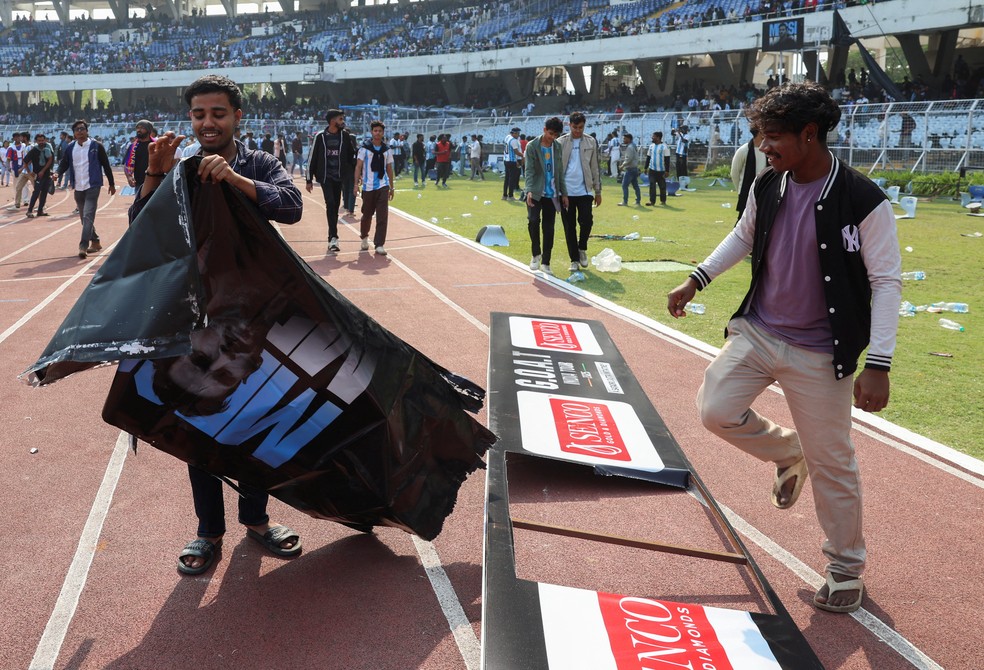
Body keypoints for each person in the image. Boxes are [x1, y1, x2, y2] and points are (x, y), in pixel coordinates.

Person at [666, 82, 902, 614]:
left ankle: (845, 569)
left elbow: (886, 282)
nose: (764, 148)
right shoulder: (768, 184)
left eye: (772, 138)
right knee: (715, 409)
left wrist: (879, 363)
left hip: (822, 351)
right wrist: (697, 279)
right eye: (760, 138)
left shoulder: (864, 200)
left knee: (835, 461)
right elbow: (743, 236)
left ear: (809, 134)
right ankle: (788, 450)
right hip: (760, 331)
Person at [130, 73, 304, 576]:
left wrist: (233, 178)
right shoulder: (179, 167)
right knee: (199, 424)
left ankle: (257, 520)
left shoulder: (259, 163)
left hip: (253, 319)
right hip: (196, 318)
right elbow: (143, 235)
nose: (208, 123)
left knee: (253, 420)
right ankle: (209, 531)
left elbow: (290, 207)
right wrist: (154, 176)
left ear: (237, 117)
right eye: (199, 114)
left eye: (218, 113)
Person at [56, 120, 116, 259]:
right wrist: (57, 173)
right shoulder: (70, 148)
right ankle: (95, 241)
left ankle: (83, 245)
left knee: (88, 215)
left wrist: (111, 184)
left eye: (82, 129)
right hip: (78, 186)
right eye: (77, 129)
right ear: (74, 134)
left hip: (93, 185)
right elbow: (64, 163)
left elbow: (106, 165)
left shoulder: (96, 146)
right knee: (85, 218)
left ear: (87, 131)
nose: (80, 131)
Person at [556, 111, 602, 272]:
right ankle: (574, 260)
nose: (578, 130)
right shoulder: (560, 142)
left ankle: (582, 248)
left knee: (587, 221)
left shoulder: (590, 142)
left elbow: (595, 167)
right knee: (569, 227)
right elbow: (556, 168)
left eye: (581, 127)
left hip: (585, 190)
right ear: (569, 125)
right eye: (575, 127)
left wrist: (598, 191)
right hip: (566, 191)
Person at [307, 109, 357, 254]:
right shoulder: (320, 137)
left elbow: (350, 156)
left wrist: (357, 171)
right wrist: (309, 179)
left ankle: (333, 236)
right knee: (331, 203)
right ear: (332, 120)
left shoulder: (345, 136)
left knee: (334, 207)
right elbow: (312, 158)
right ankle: (333, 238)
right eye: (340, 119)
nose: (343, 122)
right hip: (325, 177)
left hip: (339, 177)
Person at [524, 117, 567, 276]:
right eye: (550, 133)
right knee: (533, 220)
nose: (552, 137)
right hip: (535, 191)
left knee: (549, 228)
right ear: (544, 130)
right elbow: (529, 170)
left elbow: (560, 170)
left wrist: (564, 193)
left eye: (555, 134)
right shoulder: (532, 146)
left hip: (552, 193)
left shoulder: (557, 146)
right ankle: (536, 254)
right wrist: (528, 189)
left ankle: (546, 262)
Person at [354, 120, 395, 256]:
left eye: (380, 131)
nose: (377, 133)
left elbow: (389, 168)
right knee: (367, 215)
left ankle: (379, 244)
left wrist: (391, 187)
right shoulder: (364, 149)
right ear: (371, 132)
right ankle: (364, 237)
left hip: (382, 186)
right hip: (368, 187)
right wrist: (355, 184)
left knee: (382, 216)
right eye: (375, 130)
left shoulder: (387, 150)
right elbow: (358, 166)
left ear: (383, 133)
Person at [730, 129, 767, 220]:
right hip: (746, 192)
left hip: (764, 191)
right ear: (760, 133)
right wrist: (740, 190)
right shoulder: (744, 150)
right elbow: (735, 173)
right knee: (743, 220)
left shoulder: (768, 150)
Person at [24, 133, 54, 218]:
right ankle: (29, 211)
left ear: (45, 140)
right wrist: (29, 172)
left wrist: (47, 171)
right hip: (38, 175)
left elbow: (51, 160)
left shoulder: (48, 149)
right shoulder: (34, 151)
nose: (41, 142)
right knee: (36, 192)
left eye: (42, 140)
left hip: (47, 174)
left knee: (44, 192)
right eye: (39, 140)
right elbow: (25, 161)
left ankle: (40, 210)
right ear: (36, 141)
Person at [123, 120, 155, 196]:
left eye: (142, 128)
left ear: (148, 130)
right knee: (139, 207)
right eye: (137, 128)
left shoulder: (156, 145)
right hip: (139, 184)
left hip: (155, 183)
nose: (138, 130)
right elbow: (126, 164)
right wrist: (129, 177)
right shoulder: (132, 147)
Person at [645, 131, 671, 206]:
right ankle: (652, 201)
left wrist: (667, 171)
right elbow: (648, 157)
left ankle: (663, 201)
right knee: (652, 185)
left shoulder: (664, 147)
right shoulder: (651, 146)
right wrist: (646, 168)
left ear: (658, 137)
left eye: (653, 136)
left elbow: (667, 159)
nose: (652, 138)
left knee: (662, 186)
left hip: (661, 171)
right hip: (652, 170)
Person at [10, 133, 33, 210]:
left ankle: (42, 204)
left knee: (37, 188)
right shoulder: (24, 146)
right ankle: (17, 205)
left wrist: (22, 168)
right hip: (24, 172)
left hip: (31, 171)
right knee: (18, 187)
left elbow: (30, 159)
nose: (20, 138)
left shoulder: (31, 147)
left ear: (24, 138)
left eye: (21, 137)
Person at [618, 133, 641, 206]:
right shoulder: (633, 145)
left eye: (625, 138)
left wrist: (622, 165)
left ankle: (625, 201)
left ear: (629, 139)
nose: (623, 140)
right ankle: (638, 201)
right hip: (634, 168)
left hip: (630, 169)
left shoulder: (630, 147)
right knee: (635, 185)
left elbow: (629, 159)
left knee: (624, 185)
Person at [502, 127, 523, 201]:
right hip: (511, 161)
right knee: (512, 179)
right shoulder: (514, 140)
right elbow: (516, 152)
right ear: (514, 133)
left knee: (507, 178)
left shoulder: (507, 137)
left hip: (506, 160)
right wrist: (524, 155)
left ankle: (504, 195)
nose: (518, 135)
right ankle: (510, 196)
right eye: (517, 133)